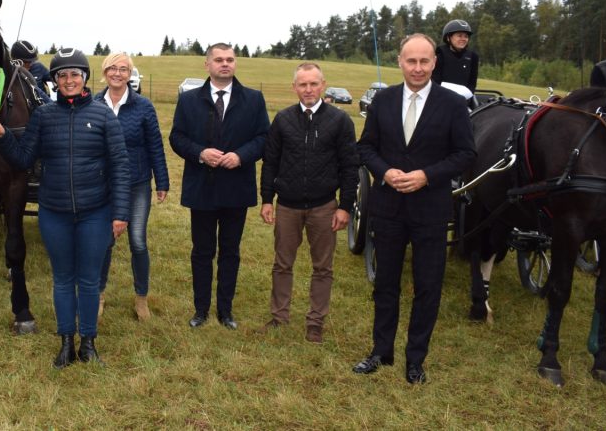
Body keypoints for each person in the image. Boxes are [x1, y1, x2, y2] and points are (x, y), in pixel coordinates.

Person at [0, 49, 129, 368]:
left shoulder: (104, 115)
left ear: (85, 79)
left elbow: (121, 166)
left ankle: (89, 343)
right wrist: (2, 137)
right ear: (54, 81)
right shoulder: (43, 116)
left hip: (95, 212)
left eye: (75, 74)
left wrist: (120, 213)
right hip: (55, 213)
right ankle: (67, 341)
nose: (68, 80)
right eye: (62, 75)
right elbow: (24, 158)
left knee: (90, 280)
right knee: (64, 279)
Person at [352, 34, 475, 384]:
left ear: (434, 63)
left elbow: (466, 154)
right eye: (411, 61)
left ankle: (415, 359)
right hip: (388, 208)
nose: (417, 68)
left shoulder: (452, 105)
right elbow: (366, 147)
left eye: (424, 61)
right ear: (400, 62)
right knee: (385, 283)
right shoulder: (383, 100)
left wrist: (427, 175)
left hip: (430, 211)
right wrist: (384, 171)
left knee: (427, 286)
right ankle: (380, 351)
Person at [169, 43, 270, 330]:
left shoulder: (253, 99)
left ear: (235, 63)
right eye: (218, 60)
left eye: (230, 59)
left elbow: (264, 138)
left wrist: (241, 156)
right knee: (202, 251)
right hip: (201, 188)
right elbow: (177, 137)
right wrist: (200, 153)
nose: (225, 64)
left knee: (230, 251)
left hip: (236, 189)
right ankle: (200, 309)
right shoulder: (188, 100)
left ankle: (225, 310)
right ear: (207, 65)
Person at [259, 62, 359, 343]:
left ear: (323, 85)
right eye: (302, 84)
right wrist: (267, 199)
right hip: (288, 206)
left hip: (324, 206)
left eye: (313, 83)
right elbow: (270, 162)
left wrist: (345, 206)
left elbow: (350, 166)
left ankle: (315, 322)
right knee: (282, 264)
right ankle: (279, 316)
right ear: (294, 87)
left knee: (323, 267)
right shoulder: (282, 120)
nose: (308, 89)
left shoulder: (340, 121)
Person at [92, 53, 169, 321]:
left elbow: (155, 146)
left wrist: (162, 180)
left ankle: (141, 299)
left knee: (137, 241)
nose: (117, 73)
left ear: (130, 74)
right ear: (104, 72)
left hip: (136, 183)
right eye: (112, 68)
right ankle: (98, 296)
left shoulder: (143, 107)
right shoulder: (93, 104)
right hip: (103, 184)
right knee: (104, 242)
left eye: (123, 69)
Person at [432, 19, 479, 95]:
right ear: (448, 37)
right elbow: (435, 81)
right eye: (459, 36)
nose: (463, 39)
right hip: (441, 97)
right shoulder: (439, 53)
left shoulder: (473, 57)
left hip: (463, 99)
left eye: (466, 36)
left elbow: (472, 83)